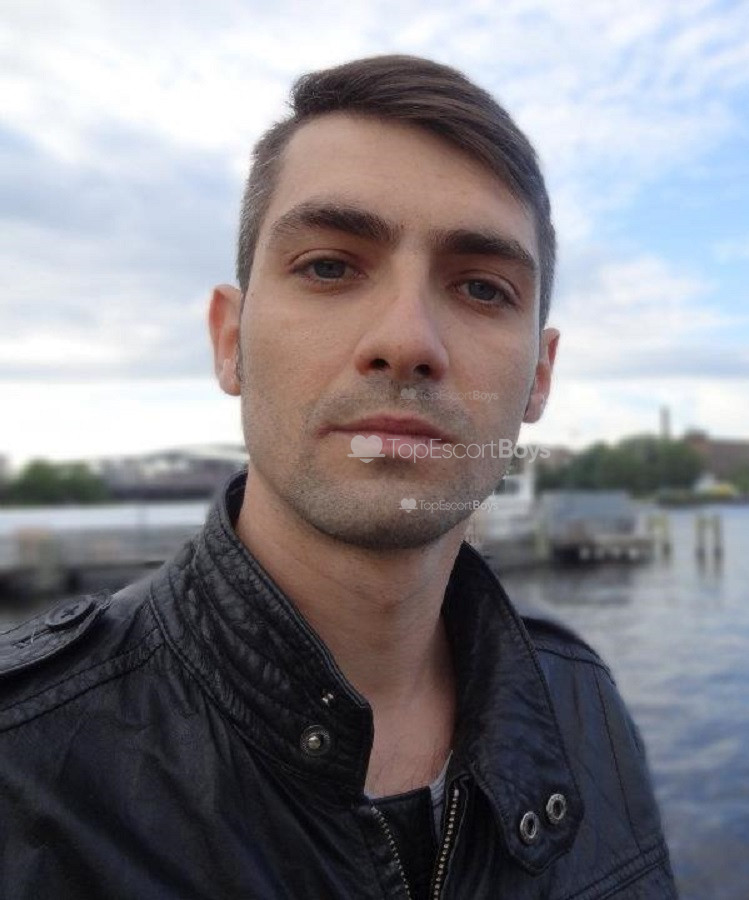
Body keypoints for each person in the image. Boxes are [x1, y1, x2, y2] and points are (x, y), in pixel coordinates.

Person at [0, 56, 677, 898]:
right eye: (329, 266)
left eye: (481, 287)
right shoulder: (23, 764)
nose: (407, 340)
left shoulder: (583, 704)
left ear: (539, 377)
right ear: (229, 340)